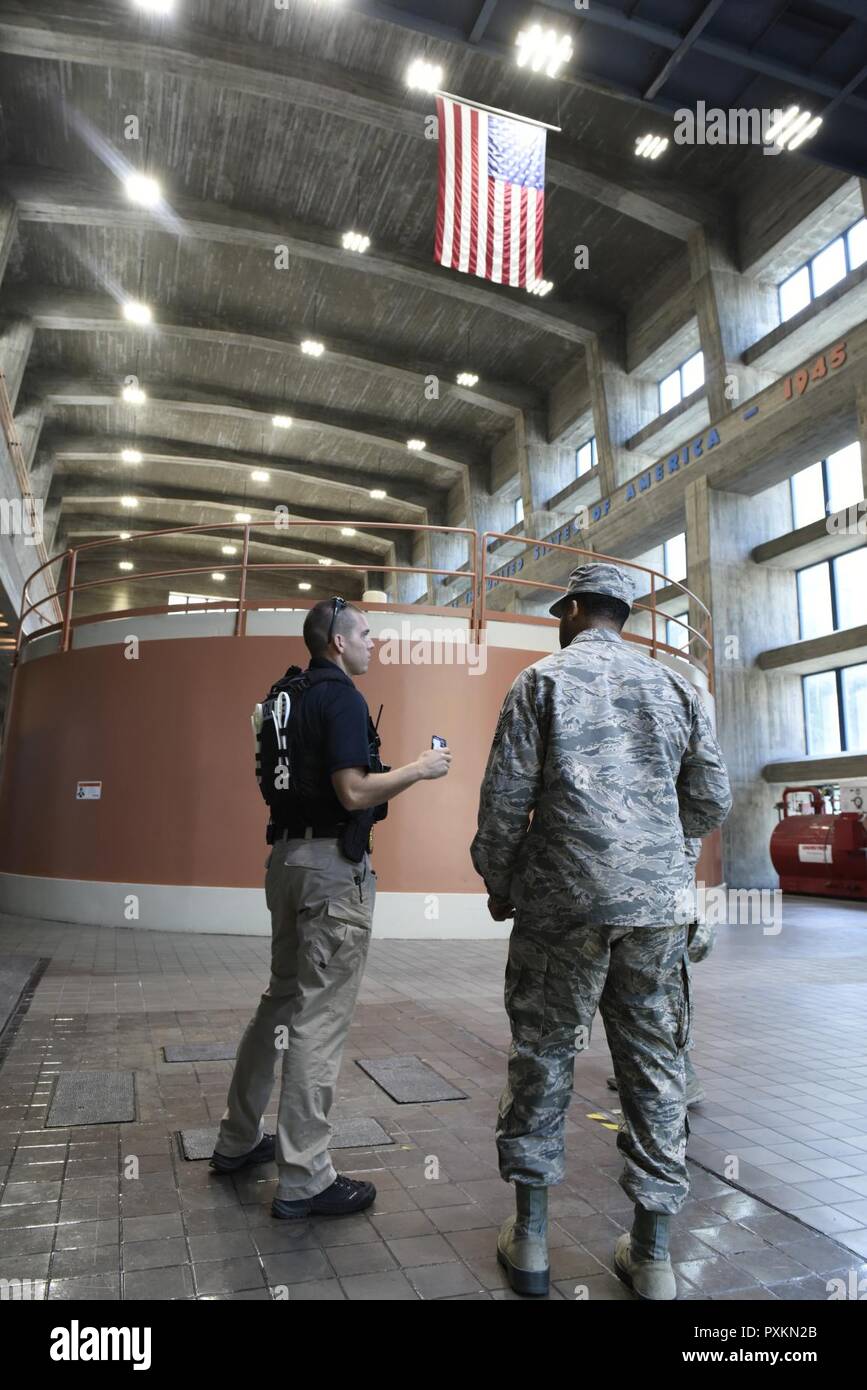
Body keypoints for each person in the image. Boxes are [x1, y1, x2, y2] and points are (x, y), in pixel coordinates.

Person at [471, 563, 732, 1300]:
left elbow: (503, 806)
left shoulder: (539, 682)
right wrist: (650, 856)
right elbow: (709, 800)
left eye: (562, 610)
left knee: (543, 1058)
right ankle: (650, 1256)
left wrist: (501, 883)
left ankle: (528, 1243)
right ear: (625, 614)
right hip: (654, 914)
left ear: (577, 609)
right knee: (654, 1069)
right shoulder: (676, 685)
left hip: (561, 907)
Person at [210, 597, 452, 1219]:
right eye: (367, 635)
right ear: (338, 643)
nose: (375, 644)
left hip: (285, 864)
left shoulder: (282, 696)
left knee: (281, 1002)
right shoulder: (339, 695)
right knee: (318, 1020)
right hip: (330, 876)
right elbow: (352, 791)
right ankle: (305, 1178)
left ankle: (237, 1141)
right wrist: (419, 769)